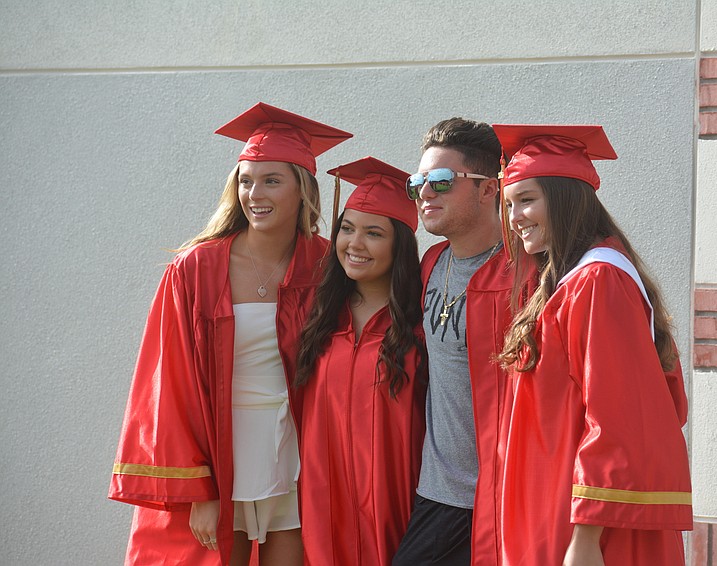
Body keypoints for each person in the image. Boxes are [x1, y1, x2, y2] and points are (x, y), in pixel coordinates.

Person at [109, 102, 352, 565]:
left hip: (298, 447)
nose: (254, 193)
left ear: (303, 189)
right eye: (245, 180)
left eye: (271, 180)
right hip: (222, 450)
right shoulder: (196, 269)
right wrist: (198, 488)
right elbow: (168, 384)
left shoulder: (327, 264)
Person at [495, 124, 693, 565]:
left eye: (527, 199)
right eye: (508, 204)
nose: (515, 217)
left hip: (586, 526)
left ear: (567, 198)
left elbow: (616, 418)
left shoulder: (598, 281)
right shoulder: (570, 280)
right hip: (555, 505)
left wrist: (584, 541)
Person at [393, 118, 535, 566]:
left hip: (504, 498)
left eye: (440, 181)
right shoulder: (433, 261)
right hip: (437, 493)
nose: (425, 194)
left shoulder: (527, 275)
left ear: (489, 188)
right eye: (418, 183)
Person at [294, 156, 427, 565]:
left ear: (399, 245)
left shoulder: (421, 327)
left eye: (374, 233)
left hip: (397, 505)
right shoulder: (318, 317)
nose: (355, 244)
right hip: (323, 504)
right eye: (347, 229)